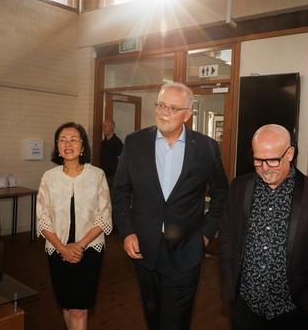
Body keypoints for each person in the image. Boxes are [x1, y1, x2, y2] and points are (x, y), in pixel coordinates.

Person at [113, 82, 228, 330]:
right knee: (153, 319)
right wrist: (127, 231)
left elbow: (221, 194)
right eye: (161, 105)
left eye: (173, 108)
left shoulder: (206, 148)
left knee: (175, 323)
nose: (164, 112)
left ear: (188, 114)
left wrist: (206, 234)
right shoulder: (134, 143)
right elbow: (120, 191)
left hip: (187, 250)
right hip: (144, 249)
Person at [219, 124, 308, 330]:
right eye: (258, 159)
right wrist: (230, 285)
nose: (264, 167)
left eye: (272, 160)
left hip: (293, 309)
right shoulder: (239, 187)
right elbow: (227, 238)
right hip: (245, 307)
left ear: (290, 153)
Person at [36, 122, 113, 330]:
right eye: (62, 140)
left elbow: (104, 216)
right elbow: (43, 219)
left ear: (83, 146)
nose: (67, 144)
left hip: (89, 250)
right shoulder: (49, 178)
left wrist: (78, 246)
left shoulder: (97, 175)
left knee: (80, 308)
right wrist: (62, 248)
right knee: (67, 305)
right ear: (57, 147)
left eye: (73, 139)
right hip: (56, 249)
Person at [100, 119, 123, 190]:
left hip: (113, 176)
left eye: (105, 126)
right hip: (103, 174)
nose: (103, 128)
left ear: (112, 127)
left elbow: (121, 160)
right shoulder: (103, 143)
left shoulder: (117, 142)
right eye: (103, 126)